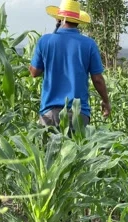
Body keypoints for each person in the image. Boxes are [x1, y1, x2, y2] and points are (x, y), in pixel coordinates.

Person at [29, 0, 111, 128]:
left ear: (59, 19)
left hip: (50, 112)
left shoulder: (45, 41)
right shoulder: (89, 44)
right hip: (78, 113)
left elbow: (34, 72)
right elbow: (98, 79)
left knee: (49, 149)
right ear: (78, 21)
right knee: (78, 148)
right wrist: (106, 101)